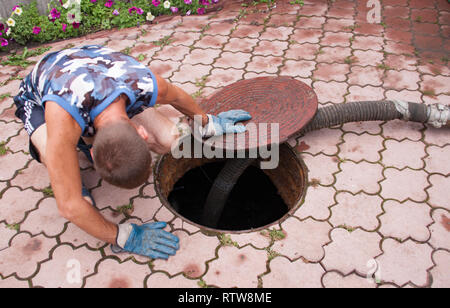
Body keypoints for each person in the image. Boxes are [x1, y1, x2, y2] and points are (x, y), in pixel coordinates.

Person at [14, 45, 251, 260]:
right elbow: (69, 207)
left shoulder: (143, 83)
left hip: (101, 70)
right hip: (45, 88)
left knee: (170, 140)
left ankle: (81, 146)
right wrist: (124, 236)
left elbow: (177, 96)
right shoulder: (62, 119)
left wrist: (206, 121)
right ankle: (61, 163)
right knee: (65, 176)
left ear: (141, 132)